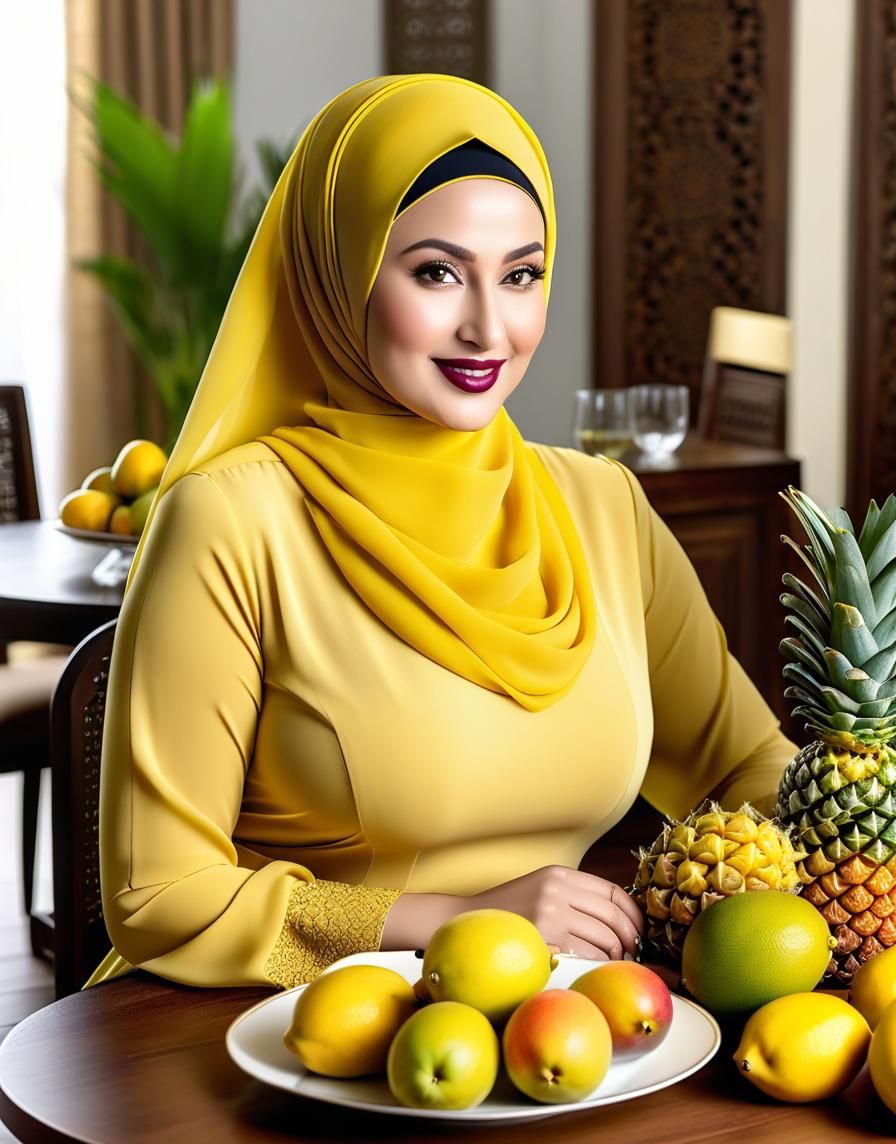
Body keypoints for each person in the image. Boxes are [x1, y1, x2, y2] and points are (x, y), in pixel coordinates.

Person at [88, 74, 796, 991]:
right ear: (339, 273)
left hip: (555, 1029)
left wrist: (849, 848)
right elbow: (159, 896)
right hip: (271, 1030)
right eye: (435, 272)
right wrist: (453, 922)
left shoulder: (604, 505)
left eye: (521, 275)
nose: (487, 328)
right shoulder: (230, 520)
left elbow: (746, 760)